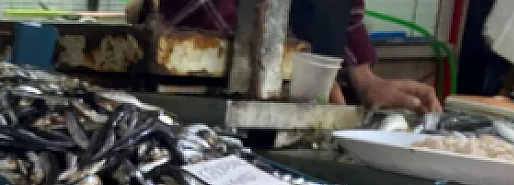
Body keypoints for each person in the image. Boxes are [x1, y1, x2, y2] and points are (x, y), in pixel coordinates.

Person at [141, 0, 443, 113]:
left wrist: (365, 79)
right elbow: (197, 7)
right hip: (214, 95)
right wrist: (287, 66)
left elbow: (342, 11)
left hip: (312, 99)